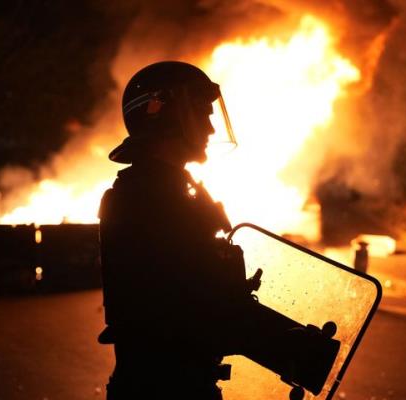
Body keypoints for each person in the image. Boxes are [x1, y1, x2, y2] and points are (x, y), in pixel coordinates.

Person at [97, 61, 258, 399]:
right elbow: (172, 304)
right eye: (202, 113)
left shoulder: (168, 192)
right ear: (169, 115)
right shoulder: (147, 199)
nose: (211, 129)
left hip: (175, 380)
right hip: (164, 387)